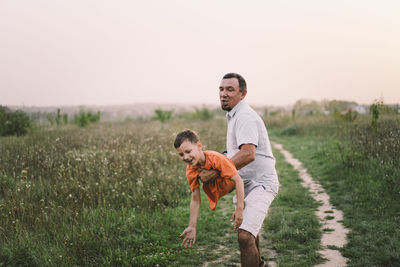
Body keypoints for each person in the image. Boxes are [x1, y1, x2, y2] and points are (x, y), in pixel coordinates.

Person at [199, 73, 279, 267]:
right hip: (246, 183)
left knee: (244, 236)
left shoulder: (244, 116)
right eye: (221, 89)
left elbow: (248, 154)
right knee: (252, 232)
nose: (223, 94)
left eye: (230, 90)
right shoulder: (234, 114)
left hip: (262, 183)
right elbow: (235, 151)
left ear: (243, 94)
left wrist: (217, 172)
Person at [174, 129, 245, 249]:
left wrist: (239, 208)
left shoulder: (216, 158)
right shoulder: (191, 170)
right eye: (181, 154)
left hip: (234, 180)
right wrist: (192, 226)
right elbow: (195, 199)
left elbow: (238, 180)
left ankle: (228, 155)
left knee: (227, 166)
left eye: (188, 151)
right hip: (222, 184)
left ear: (199, 146)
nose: (185, 157)